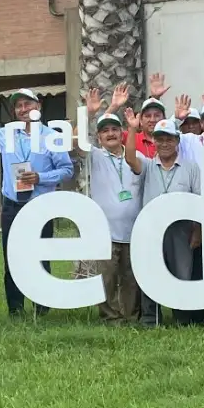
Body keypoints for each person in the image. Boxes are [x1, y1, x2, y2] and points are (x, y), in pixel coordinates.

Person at [0, 82, 74, 317]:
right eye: (18, 106)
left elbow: (67, 170)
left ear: (38, 106)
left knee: (41, 256)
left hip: (40, 206)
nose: (23, 108)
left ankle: (42, 308)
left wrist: (40, 177)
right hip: (12, 205)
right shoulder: (6, 134)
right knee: (12, 257)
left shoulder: (51, 137)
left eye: (28, 103)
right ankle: (15, 310)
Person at [84, 91, 143, 324]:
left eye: (115, 129)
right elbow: (74, 142)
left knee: (131, 278)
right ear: (99, 138)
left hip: (134, 230)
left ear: (122, 133)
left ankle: (131, 317)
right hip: (106, 232)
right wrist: (91, 113)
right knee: (106, 278)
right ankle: (110, 318)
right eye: (105, 131)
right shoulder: (95, 157)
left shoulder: (136, 159)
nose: (110, 133)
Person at [139, 118, 202, 327]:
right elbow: (130, 158)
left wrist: (198, 231)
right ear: (153, 141)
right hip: (152, 229)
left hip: (181, 230)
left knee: (182, 271)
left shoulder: (191, 168)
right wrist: (132, 128)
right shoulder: (147, 166)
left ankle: (182, 318)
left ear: (177, 141)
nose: (164, 143)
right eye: (160, 139)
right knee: (150, 271)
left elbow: (200, 200)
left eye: (169, 139)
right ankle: (151, 318)